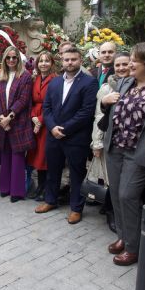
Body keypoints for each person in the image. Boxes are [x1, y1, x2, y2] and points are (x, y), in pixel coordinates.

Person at [100, 44, 145, 266]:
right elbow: (111, 112)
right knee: (116, 195)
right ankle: (123, 236)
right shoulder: (125, 82)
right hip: (115, 148)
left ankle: (133, 247)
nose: (129, 64)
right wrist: (105, 102)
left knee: (128, 196)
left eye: (134, 61)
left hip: (138, 152)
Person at [35, 47, 98, 224]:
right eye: (66, 59)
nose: (70, 62)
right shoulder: (54, 82)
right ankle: (50, 200)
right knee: (53, 170)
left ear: (80, 61)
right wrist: (53, 127)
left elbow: (86, 112)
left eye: (73, 59)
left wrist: (64, 129)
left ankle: (76, 208)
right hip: (53, 135)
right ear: (62, 61)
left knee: (76, 173)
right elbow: (46, 108)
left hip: (75, 137)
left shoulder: (89, 82)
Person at [90, 52, 131, 231]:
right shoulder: (107, 88)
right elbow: (98, 117)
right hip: (110, 140)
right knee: (111, 180)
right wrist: (97, 142)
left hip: (130, 142)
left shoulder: (138, 85)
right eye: (118, 65)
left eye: (125, 64)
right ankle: (111, 212)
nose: (121, 68)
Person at [0, 47, 35, 202]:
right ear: (4, 60)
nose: (11, 60)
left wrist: (9, 117)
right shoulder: (1, 77)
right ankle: (5, 188)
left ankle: (17, 192)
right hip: (3, 122)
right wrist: (0, 118)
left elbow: (23, 100)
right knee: (4, 155)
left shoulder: (25, 76)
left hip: (18, 122)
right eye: (8, 58)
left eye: (14, 58)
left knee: (17, 158)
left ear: (18, 59)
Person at [26, 51, 57, 200]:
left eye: (47, 61)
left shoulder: (56, 80)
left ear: (51, 63)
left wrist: (41, 120)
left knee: (45, 156)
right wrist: (33, 118)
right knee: (36, 155)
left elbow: (54, 105)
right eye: (41, 61)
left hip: (48, 120)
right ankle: (39, 186)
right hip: (35, 120)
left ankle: (47, 188)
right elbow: (31, 102)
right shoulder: (35, 79)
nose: (43, 64)